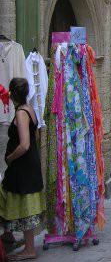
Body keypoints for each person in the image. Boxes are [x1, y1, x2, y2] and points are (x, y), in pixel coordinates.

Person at [0, 78, 45, 261]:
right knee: (10, 196)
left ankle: (29, 249)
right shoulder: (30, 110)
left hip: (23, 166)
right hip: (28, 165)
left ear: (12, 94)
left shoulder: (20, 113)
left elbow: (25, 144)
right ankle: (9, 234)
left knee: (23, 202)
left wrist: (10, 158)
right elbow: (35, 135)